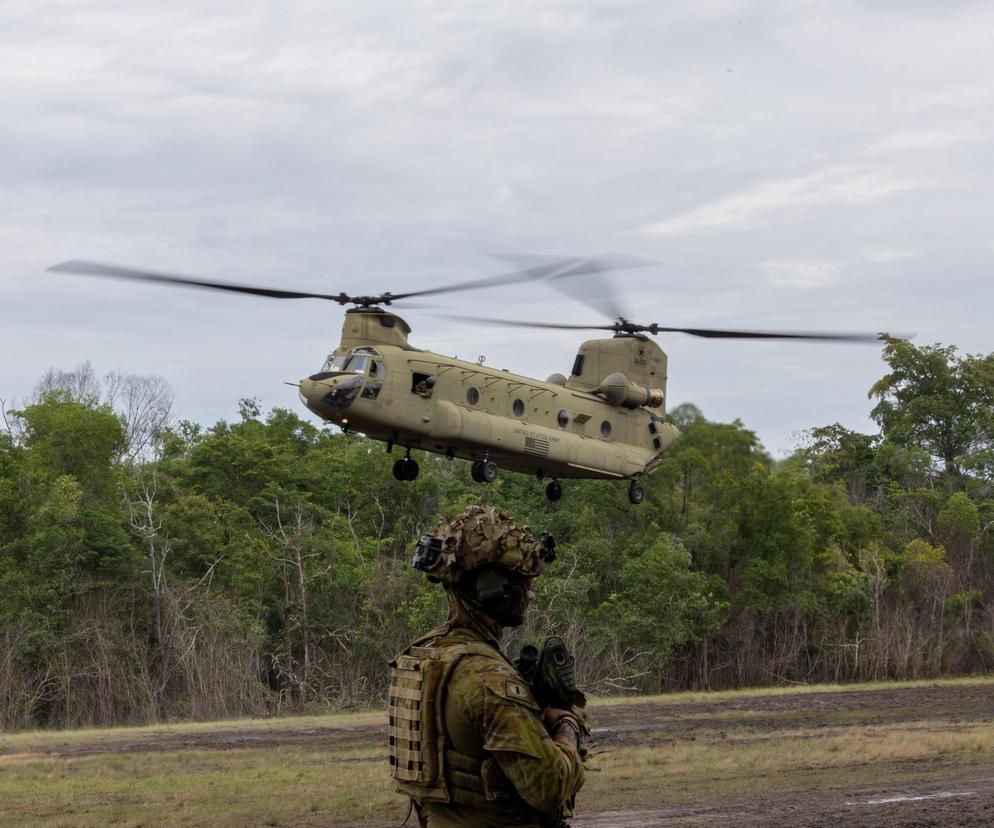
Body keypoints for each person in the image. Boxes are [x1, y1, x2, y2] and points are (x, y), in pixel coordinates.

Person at [389, 504, 585, 828]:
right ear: (493, 587)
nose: (531, 594)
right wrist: (566, 723)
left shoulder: (425, 657)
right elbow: (549, 787)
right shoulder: (488, 680)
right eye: (524, 581)